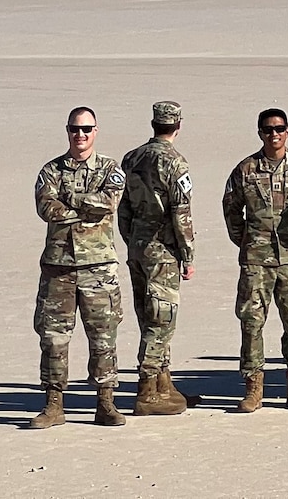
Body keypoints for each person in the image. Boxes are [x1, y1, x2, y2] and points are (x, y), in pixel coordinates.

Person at [29, 107, 127, 429]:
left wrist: (71, 200)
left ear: (96, 131)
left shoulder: (111, 169)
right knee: (54, 337)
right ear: (67, 131)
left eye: (86, 129)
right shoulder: (50, 169)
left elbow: (108, 203)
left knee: (103, 336)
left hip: (98, 267)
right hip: (59, 267)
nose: (80, 135)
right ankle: (54, 404)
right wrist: (83, 207)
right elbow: (47, 207)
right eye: (74, 129)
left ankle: (105, 402)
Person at [222, 108, 288, 412]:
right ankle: (253, 388)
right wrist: (247, 241)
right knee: (251, 322)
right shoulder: (246, 169)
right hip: (256, 260)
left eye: (279, 129)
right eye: (267, 129)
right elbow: (231, 209)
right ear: (260, 133)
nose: (273, 134)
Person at [118, 100, 196, 416]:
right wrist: (188, 254)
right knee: (161, 320)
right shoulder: (176, 164)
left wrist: (131, 239)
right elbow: (181, 214)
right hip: (162, 249)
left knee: (148, 314)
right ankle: (148, 389)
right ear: (178, 125)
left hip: (137, 246)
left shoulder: (132, 158)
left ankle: (164, 382)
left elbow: (122, 209)